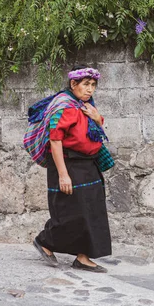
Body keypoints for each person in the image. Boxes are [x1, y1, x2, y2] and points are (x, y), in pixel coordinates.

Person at [30, 66, 113, 273]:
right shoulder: (64, 107)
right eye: (86, 84)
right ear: (73, 84)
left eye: (93, 85)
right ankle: (45, 241)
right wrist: (63, 174)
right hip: (68, 163)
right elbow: (55, 141)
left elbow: (91, 128)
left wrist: (97, 118)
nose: (90, 90)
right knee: (70, 212)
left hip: (87, 163)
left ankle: (83, 257)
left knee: (93, 209)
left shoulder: (84, 105)